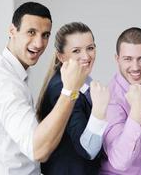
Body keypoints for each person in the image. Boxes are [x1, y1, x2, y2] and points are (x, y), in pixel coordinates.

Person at [0, 2, 86, 174]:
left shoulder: (7, 73)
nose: (38, 43)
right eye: (31, 32)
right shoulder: (5, 83)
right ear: (12, 31)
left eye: (45, 35)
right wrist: (70, 90)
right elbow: (38, 150)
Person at [36, 22, 110, 175]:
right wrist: (99, 111)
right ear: (61, 56)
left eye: (90, 48)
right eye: (76, 51)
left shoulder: (84, 83)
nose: (86, 56)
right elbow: (87, 149)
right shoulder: (63, 90)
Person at [100, 27, 141, 175]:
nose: (136, 67)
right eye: (128, 59)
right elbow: (119, 161)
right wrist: (137, 111)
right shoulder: (110, 99)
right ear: (117, 59)